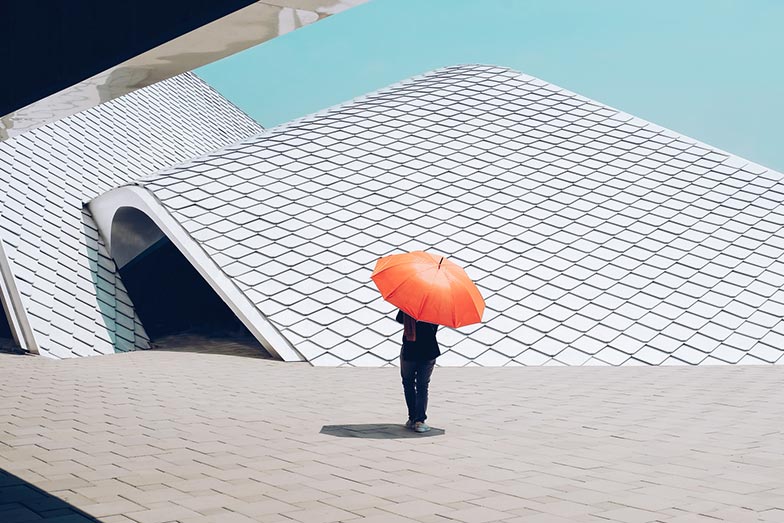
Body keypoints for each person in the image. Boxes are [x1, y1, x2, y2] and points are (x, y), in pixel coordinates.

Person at [396, 309, 440, 433]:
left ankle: (412, 418)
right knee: (422, 385)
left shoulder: (409, 304)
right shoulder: (436, 308)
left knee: (408, 383)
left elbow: (399, 319)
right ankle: (420, 421)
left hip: (410, 349)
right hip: (428, 350)